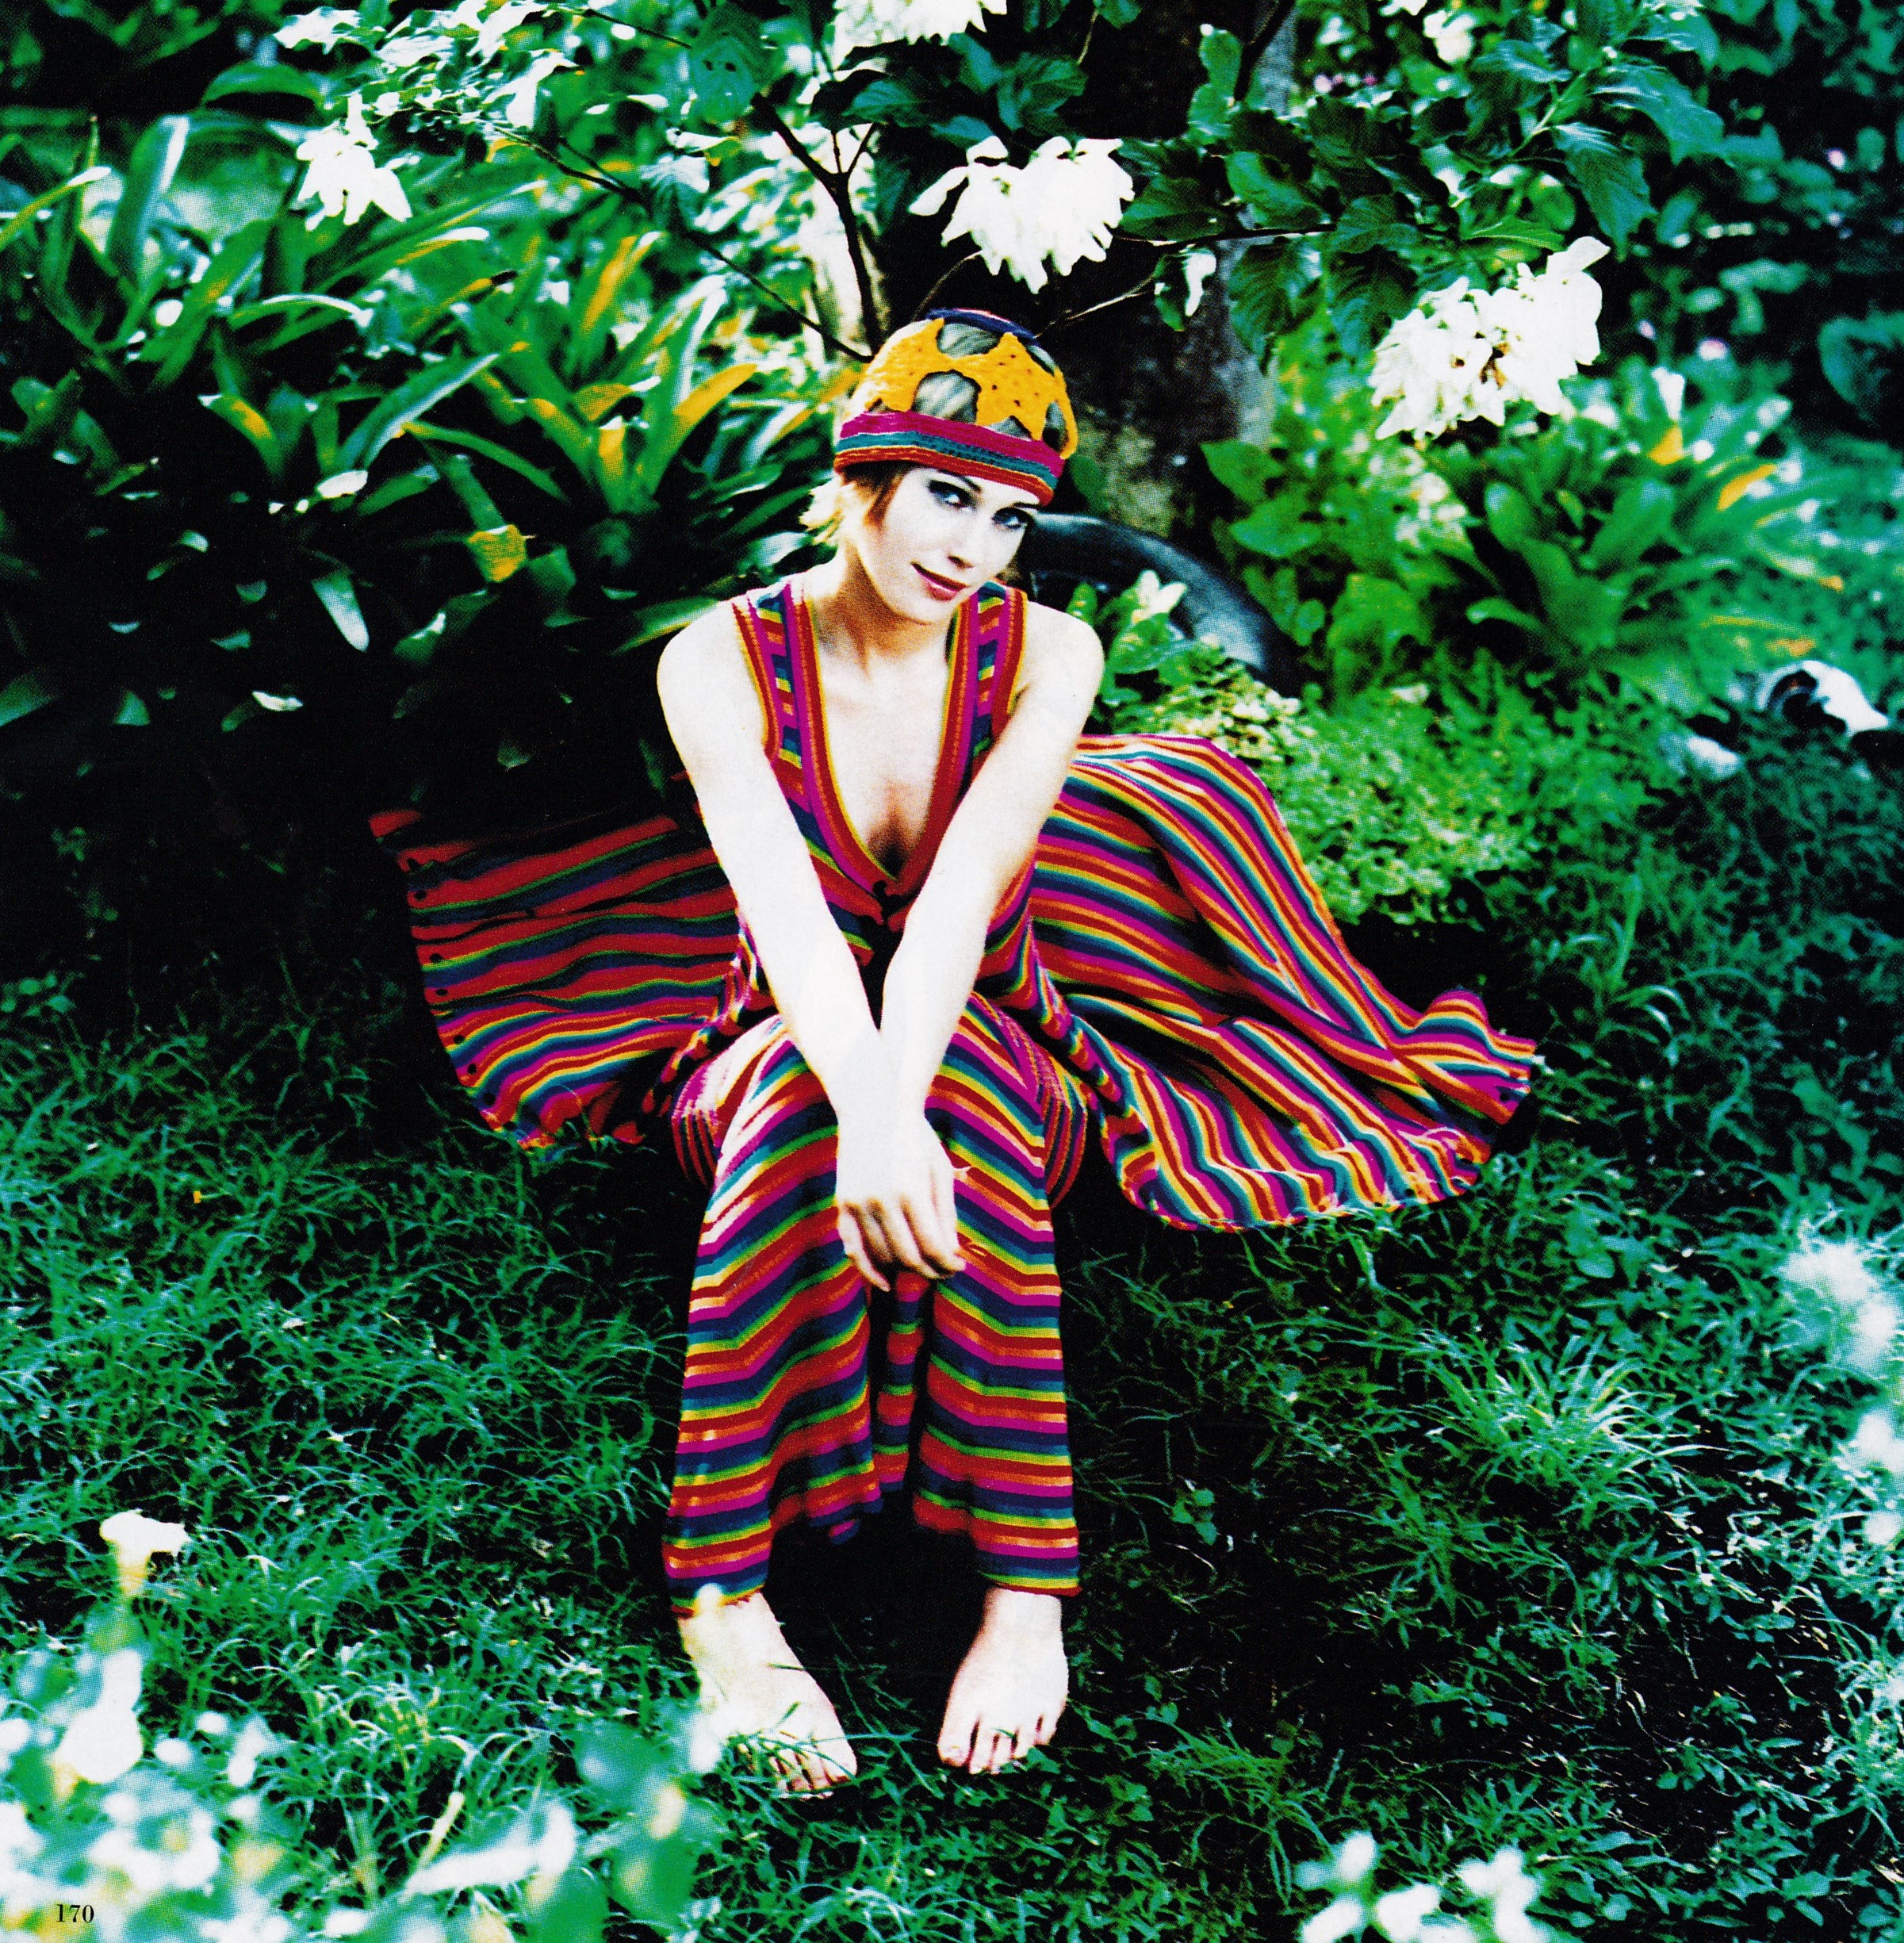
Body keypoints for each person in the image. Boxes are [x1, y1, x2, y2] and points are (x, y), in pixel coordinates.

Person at [375, 309, 1534, 1795]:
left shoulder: (1052, 652)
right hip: (766, 1029)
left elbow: (958, 908)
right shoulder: (715, 661)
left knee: (968, 1096)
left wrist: (894, 1116)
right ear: (860, 476)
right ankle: (723, 1596)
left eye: (1010, 515)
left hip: (1003, 1025)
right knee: (792, 1098)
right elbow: (788, 922)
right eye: (946, 493)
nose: (976, 546)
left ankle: (1022, 1589)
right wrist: (862, 1112)